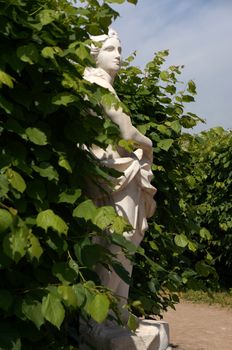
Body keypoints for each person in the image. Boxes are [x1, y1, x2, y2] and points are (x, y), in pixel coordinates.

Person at [83, 28, 157, 323]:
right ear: (95, 55)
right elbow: (127, 132)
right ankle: (103, 317)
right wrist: (149, 147)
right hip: (114, 172)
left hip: (112, 170)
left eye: (120, 50)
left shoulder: (94, 84)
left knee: (117, 241)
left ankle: (115, 312)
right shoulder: (96, 84)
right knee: (119, 240)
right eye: (111, 49)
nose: (118, 56)